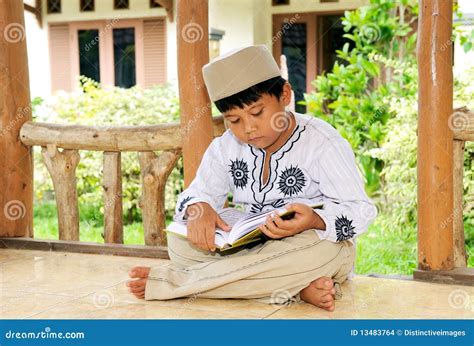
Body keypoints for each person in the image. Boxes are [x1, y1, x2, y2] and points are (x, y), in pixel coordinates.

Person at [127, 45, 377, 311]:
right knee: (180, 243)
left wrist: (314, 220)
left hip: (307, 246)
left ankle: (179, 284)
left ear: (284, 94)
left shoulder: (322, 143)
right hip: (249, 249)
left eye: (257, 113)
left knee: (326, 252)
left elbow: (361, 212)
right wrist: (198, 207)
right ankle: (291, 287)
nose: (248, 128)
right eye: (233, 120)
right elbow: (198, 192)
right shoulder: (226, 146)